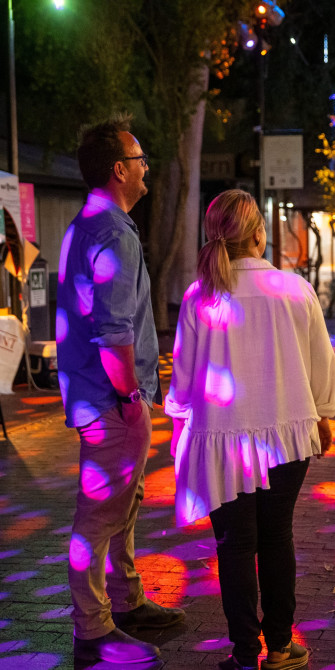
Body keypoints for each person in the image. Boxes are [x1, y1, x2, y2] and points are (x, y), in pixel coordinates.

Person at [165, 189, 335, 670]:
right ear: (260, 234)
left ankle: (245, 655)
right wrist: (322, 413)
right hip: (286, 435)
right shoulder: (294, 288)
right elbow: (321, 365)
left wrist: (179, 425)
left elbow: (183, 379)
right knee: (277, 538)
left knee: (235, 548)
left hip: (221, 443)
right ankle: (281, 648)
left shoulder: (199, 296)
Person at [57, 114, 185, 665]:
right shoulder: (112, 232)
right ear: (118, 170)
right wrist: (132, 400)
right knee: (100, 515)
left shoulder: (86, 224)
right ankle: (93, 629)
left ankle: (126, 602)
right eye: (139, 160)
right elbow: (114, 333)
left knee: (122, 507)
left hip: (96, 396)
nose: (146, 167)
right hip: (111, 402)